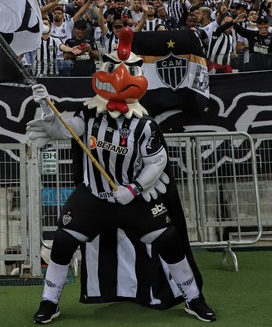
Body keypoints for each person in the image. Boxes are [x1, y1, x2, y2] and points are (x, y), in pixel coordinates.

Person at [26, 27, 215, 324]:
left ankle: (194, 299)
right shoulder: (89, 115)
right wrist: (45, 107)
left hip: (133, 198)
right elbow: (64, 132)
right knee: (62, 243)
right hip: (93, 196)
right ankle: (49, 301)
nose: (118, 76)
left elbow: (157, 162)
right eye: (113, 67)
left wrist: (135, 187)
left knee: (169, 240)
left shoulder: (145, 125)